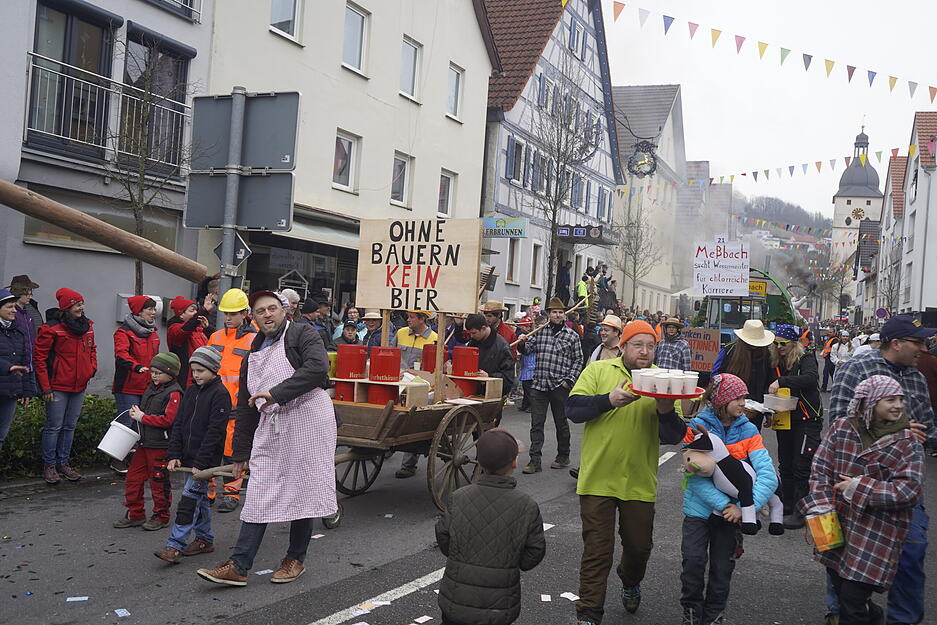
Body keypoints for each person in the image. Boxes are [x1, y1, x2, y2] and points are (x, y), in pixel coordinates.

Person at [197, 290, 336, 586]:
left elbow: (317, 368)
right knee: (260, 488)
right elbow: (246, 408)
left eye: (272, 308)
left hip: (309, 419)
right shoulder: (253, 354)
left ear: (283, 311)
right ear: (254, 316)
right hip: (272, 424)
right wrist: (240, 452)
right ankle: (239, 564)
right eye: (261, 311)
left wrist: (276, 394)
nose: (267, 315)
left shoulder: (303, 334)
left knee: (303, 487)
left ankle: (295, 558)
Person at [565, 320, 687, 622]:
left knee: (638, 548)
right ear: (623, 346)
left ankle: (630, 580)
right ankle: (589, 613)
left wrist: (665, 410)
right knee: (597, 552)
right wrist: (609, 400)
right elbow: (574, 410)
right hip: (597, 480)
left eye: (650, 345)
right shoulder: (598, 371)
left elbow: (675, 436)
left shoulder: (665, 380)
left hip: (638, 482)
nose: (644, 351)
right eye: (638, 345)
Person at [827, 315, 935, 625]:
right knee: (840, 551)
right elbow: (838, 426)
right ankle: (841, 612)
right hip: (856, 479)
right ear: (897, 343)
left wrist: (920, 433)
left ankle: (902, 619)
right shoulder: (854, 369)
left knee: (912, 550)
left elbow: (925, 426)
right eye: (919, 343)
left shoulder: (915, 375)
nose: (925, 349)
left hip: (901, 483)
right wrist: (898, 429)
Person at [801, 376, 924, 625]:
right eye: (890, 399)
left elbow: (909, 490)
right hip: (832, 520)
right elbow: (820, 468)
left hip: (877, 532)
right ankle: (873, 615)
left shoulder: (907, 442)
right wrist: (820, 504)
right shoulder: (842, 428)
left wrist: (859, 488)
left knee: (853, 598)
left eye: (900, 399)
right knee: (839, 584)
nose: (898, 405)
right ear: (868, 403)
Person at [680, 373, 779, 625]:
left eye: (745, 397)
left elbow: (768, 475)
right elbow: (694, 475)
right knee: (692, 563)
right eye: (738, 397)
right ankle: (691, 611)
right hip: (699, 511)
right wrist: (725, 505)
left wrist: (745, 509)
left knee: (722, 569)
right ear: (721, 400)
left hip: (733, 515)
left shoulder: (749, 430)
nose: (744, 403)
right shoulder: (697, 427)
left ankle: (714, 616)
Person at [435, 428, 545, 625]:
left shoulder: (459, 497)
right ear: (514, 462)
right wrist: (510, 561)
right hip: (499, 605)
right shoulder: (526, 505)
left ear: (481, 463)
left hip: (455, 600)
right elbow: (533, 553)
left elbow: (444, 538)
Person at [154, 346, 230, 563]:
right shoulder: (190, 392)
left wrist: (201, 462)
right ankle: (205, 539)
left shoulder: (220, 394)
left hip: (204, 463)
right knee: (200, 499)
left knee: (188, 500)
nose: (196, 375)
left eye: (201, 371)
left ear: (214, 370)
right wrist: (174, 454)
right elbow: (178, 424)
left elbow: (215, 432)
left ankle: (174, 545)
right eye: (194, 370)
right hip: (188, 458)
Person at [33, 288, 97, 485]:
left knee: (70, 426)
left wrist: (91, 369)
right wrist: (46, 388)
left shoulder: (87, 326)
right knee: (54, 426)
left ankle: (63, 463)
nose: (81, 308)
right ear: (67, 307)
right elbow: (39, 359)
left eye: (81, 304)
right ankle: (49, 466)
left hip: (79, 386)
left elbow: (92, 350)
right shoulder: (51, 329)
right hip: (57, 386)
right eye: (77, 305)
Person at [113, 352, 182, 531]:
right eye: (152, 371)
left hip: (160, 445)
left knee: (158, 482)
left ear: (171, 374)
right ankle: (136, 514)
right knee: (132, 479)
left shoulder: (174, 393)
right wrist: (137, 413)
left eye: (159, 372)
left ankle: (161, 516)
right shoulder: (151, 388)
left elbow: (168, 420)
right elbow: (145, 412)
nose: (154, 375)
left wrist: (143, 417)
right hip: (144, 443)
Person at [516, 297, 582, 473]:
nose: (558, 315)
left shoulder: (572, 336)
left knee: (561, 422)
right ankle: (534, 461)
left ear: (564, 315)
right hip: (539, 385)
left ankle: (563, 456)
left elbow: (578, 360)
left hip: (560, 386)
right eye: (554, 312)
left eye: (560, 312)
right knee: (537, 423)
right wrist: (522, 342)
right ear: (549, 314)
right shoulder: (539, 332)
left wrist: (569, 381)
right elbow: (527, 349)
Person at [206, 288, 257, 514]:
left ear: (244, 313)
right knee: (210, 450)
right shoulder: (215, 337)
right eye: (226, 313)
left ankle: (231, 494)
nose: (228, 318)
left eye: (233, 313)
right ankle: (207, 492)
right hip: (214, 404)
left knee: (232, 452)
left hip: (237, 407)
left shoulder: (254, 339)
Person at [767, 325, 822, 530]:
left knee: (802, 465)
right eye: (776, 343)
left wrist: (782, 380)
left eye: (783, 343)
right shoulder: (775, 361)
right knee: (786, 463)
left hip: (807, 419)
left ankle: (801, 510)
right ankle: (788, 505)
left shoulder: (805, 359)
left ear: (793, 343)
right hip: (785, 417)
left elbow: (810, 379)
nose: (779, 347)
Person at [711, 320, 777, 430]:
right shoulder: (729, 350)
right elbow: (716, 377)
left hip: (755, 411)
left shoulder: (766, 354)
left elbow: (769, 383)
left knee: (750, 441)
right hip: (729, 408)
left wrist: (767, 412)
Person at [113, 296, 160, 421]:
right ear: (139, 311)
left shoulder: (153, 332)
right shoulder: (123, 332)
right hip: (128, 387)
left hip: (148, 387)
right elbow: (121, 355)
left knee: (141, 427)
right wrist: (137, 367)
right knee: (127, 425)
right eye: (150, 309)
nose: (154, 312)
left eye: (154, 309)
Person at [0, 288, 36, 451]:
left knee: (1, 436)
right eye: (9, 307)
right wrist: (8, 367)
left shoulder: (18, 333)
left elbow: (25, 362)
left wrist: (27, 391)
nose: (14, 310)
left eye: (14, 306)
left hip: (10, 392)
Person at [464, 313, 515, 407]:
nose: (471, 336)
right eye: (470, 333)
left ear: (483, 328)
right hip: (471, 395)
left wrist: (489, 376)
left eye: (474, 333)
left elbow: (508, 379)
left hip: (491, 400)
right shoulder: (474, 342)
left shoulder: (502, 347)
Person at [167, 296, 210, 387]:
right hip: (185, 379)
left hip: (200, 377)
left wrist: (207, 328)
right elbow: (186, 328)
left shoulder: (198, 329)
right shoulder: (174, 329)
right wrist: (203, 310)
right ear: (181, 315)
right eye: (192, 311)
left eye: (196, 310)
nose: (195, 313)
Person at [8, 275, 41, 369]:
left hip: (30, 362)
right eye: (27, 293)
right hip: (16, 363)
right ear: (19, 293)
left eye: (31, 293)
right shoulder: (11, 313)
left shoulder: (29, 313)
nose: (30, 296)